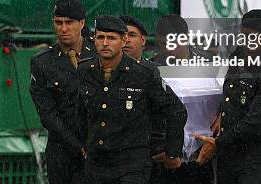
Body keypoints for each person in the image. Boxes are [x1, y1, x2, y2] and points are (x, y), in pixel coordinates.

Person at [78, 15, 187, 184]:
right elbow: (79, 112)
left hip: (131, 165)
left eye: (112, 38)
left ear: (123, 41)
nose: (105, 43)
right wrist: (83, 143)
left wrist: (172, 152)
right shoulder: (85, 70)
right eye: (100, 37)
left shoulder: (143, 73)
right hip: (96, 164)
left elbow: (176, 111)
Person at [195, 10, 261, 184]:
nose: (248, 42)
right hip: (229, 158)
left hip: (255, 162)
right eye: (244, 36)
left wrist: (218, 144)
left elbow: (255, 123)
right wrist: (220, 115)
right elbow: (229, 91)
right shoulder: (240, 58)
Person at [29, 0, 94, 184]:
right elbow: (47, 114)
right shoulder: (43, 62)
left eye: (69, 23)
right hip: (62, 152)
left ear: (81, 24)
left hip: (99, 149)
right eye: (59, 23)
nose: (63, 29)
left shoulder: (98, 54)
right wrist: (78, 146)